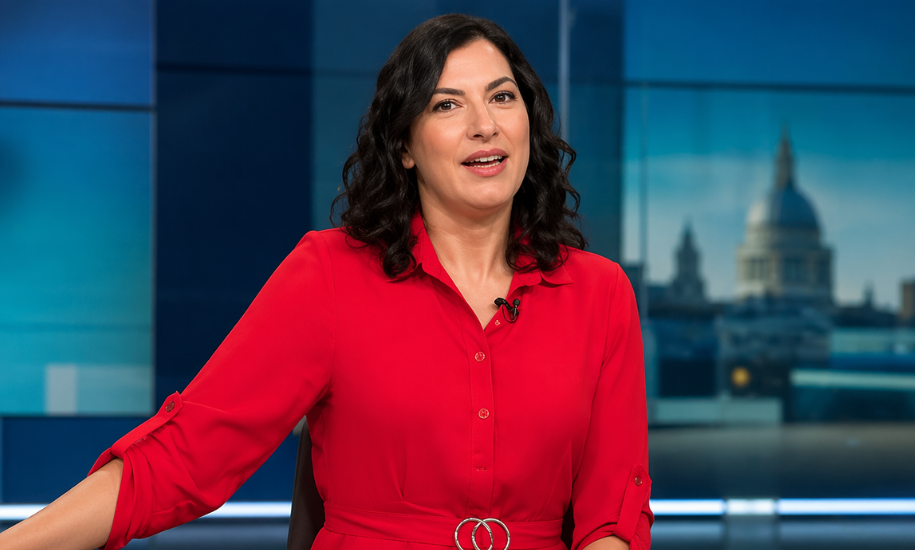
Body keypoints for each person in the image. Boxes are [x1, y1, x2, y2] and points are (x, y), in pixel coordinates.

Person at [0, 14, 652, 550]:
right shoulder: (329, 274)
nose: (485, 124)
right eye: (447, 104)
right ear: (404, 146)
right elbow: (186, 455)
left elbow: (612, 517)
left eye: (502, 97)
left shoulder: (599, 294)